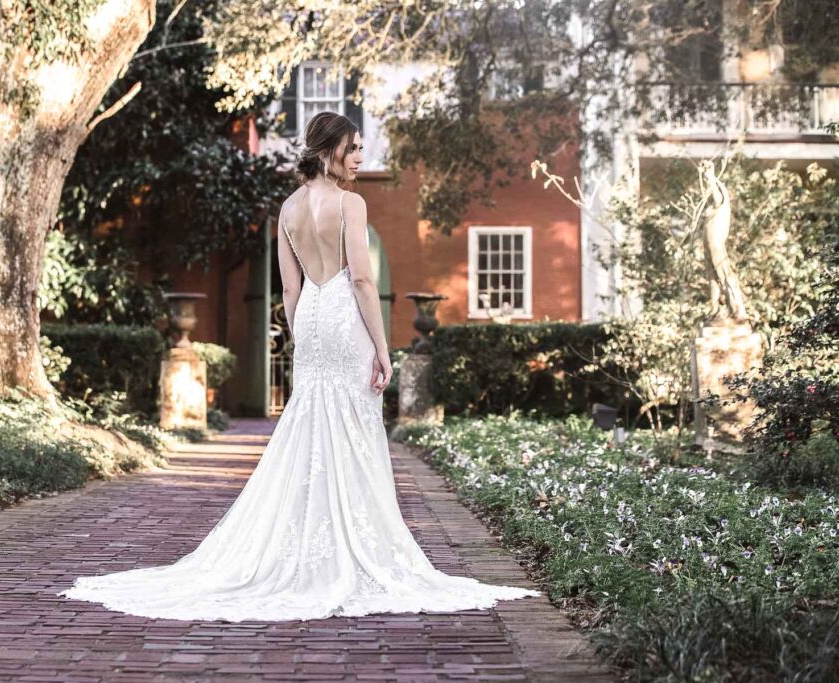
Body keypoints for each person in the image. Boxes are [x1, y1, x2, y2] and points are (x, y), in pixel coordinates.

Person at [57, 111, 542, 621]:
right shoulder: (351, 204)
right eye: (354, 149)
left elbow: (289, 288)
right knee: (352, 426)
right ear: (330, 150)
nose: (360, 158)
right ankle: (348, 544)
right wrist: (382, 347)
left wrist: (300, 334)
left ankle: (309, 541)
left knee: (310, 425)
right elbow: (360, 281)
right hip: (343, 314)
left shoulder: (287, 209)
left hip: (310, 316)